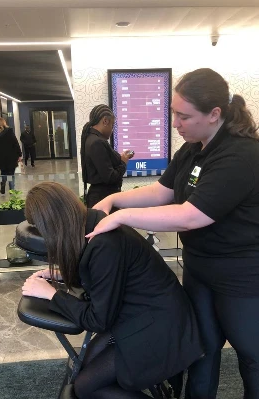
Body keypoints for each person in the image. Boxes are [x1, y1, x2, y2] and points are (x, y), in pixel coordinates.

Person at [86, 68, 259, 399]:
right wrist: (112, 199)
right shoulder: (193, 147)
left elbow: (190, 216)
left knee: (252, 356)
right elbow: (162, 191)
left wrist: (121, 217)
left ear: (214, 114)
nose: (175, 123)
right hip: (199, 269)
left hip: (241, 278)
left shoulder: (240, 154)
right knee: (201, 351)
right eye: (174, 114)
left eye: (184, 116)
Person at [22, 182, 203, 399]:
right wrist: (61, 274)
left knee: (86, 387)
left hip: (160, 328)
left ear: (52, 225)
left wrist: (52, 294)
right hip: (138, 315)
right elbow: (102, 274)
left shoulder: (105, 243)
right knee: (86, 364)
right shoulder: (90, 223)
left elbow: (98, 320)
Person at [80, 104, 134, 208]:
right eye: (112, 125)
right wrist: (123, 163)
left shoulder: (92, 139)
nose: (112, 129)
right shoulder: (97, 142)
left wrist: (121, 157)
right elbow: (110, 178)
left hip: (100, 197)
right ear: (105, 121)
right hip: (104, 199)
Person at [0, 117, 22, 194]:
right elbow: (15, 143)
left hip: (0, 156)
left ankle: (3, 185)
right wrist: (19, 154)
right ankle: (12, 189)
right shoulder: (9, 131)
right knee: (11, 173)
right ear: (4, 122)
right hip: (11, 156)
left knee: (3, 172)